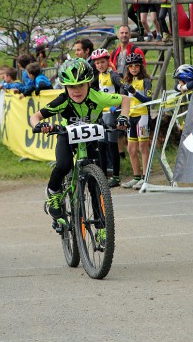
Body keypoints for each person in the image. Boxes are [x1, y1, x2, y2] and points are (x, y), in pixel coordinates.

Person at [29, 58, 129, 222]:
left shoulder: (97, 97)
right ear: (65, 87)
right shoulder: (62, 100)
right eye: (71, 87)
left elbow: (125, 99)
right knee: (63, 165)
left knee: (96, 182)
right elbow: (35, 117)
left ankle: (101, 225)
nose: (77, 90)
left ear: (89, 84)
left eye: (81, 85)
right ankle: (53, 192)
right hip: (66, 135)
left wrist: (123, 118)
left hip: (91, 135)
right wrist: (41, 125)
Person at [120, 53, 153, 190]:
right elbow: (122, 98)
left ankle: (146, 178)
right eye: (131, 66)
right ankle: (136, 177)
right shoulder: (126, 81)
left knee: (142, 148)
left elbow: (148, 100)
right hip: (130, 117)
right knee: (131, 149)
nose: (133, 68)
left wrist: (134, 92)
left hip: (142, 116)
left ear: (140, 66)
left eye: (136, 65)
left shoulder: (146, 81)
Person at [92, 48, 123, 187]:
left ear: (108, 61)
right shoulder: (97, 76)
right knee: (101, 145)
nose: (100, 65)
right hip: (102, 114)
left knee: (112, 145)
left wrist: (116, 105)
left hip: (111, 113)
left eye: (102, 62)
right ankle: (103, 176)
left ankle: (116, 177)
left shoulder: (113, 75)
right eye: (97, 63)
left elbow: (123, 88)